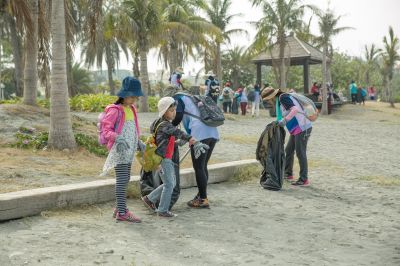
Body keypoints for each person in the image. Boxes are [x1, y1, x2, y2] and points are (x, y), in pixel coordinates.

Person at [141, 97, 196, 218]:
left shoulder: (159, 123)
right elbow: (177, 132)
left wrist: (178, 143)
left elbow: (165, 139)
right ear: (164, 111)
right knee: (170, 184)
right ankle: (162, 210)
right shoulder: (165, 125)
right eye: (171, 110)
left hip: (166, 157)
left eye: (175, 110)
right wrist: (189, 138)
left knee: (171, 182)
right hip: (163, 158)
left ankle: (149, 199)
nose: (174, 112)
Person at [102, 76, 145, 223]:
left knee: (125, 178)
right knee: (121, 180)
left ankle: (119, 207)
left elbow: (134, 128)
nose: (134, 99)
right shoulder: (115, 110)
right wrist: (117, 138)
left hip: (129, 150)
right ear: (124, 95)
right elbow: (106, 130)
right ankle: (122, 212)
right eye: (131, 96)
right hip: (120, 149)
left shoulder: (131, 109)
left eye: (135, 97)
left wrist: (138, 141)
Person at [261, 87, 313, 186]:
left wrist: (285, 120)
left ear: (271, 97)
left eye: (267, 100)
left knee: (300, 152)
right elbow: (282, 115)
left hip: (302, 127)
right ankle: (287, 174)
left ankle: (304, 179)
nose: (268, 102)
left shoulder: (282, 98)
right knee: (289, 150)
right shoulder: (280, 100)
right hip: (296, 129)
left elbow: (294, 110)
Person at [178, 93, 219, 208]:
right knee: (203, 165)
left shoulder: (178, 99)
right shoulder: (194, 98)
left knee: (199, 167)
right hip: (212, 131)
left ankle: (203, 199)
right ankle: (201, 195)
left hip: (199, 134)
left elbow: (177, 117)